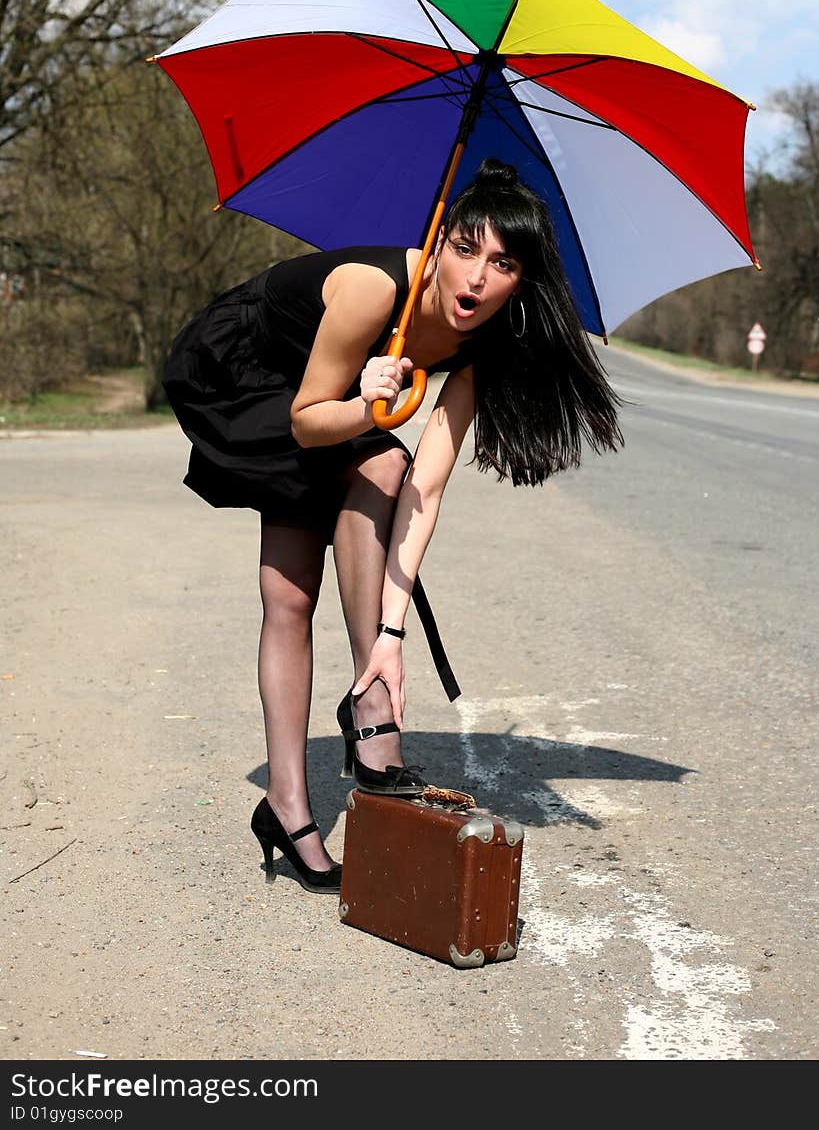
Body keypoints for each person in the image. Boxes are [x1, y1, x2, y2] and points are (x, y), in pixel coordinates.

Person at [163, 159, 623, 894]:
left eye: (502, 263)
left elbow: (428, 488)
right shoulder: (374, 290)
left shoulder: (481, 348)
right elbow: (311, 422)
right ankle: (358, 728)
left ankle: (319, 760)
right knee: (352, 498)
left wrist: (393, 635)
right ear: (437, 242)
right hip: (246, 368)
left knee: (334, 540)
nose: (475, 278)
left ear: (521, 280)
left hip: (333, 393)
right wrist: (370, 409)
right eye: (465, 248)